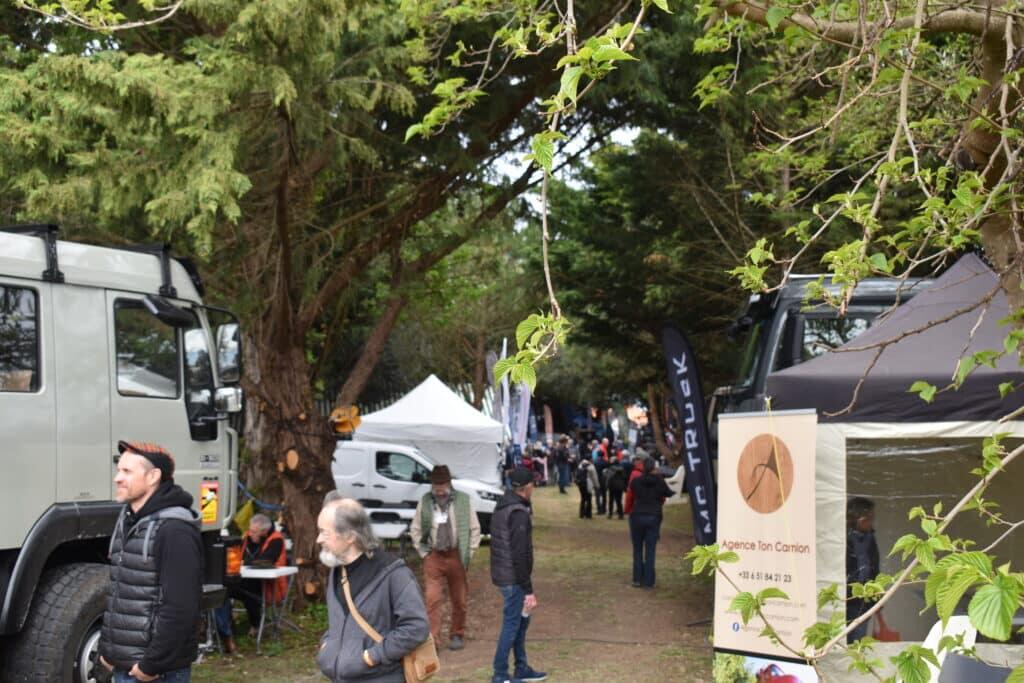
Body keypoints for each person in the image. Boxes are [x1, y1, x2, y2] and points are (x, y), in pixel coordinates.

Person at [98, 441, 203, 683]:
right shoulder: (128, 521)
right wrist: (108, 651)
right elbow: (122, 594)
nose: (117, 478)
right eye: (119, 470)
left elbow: (182, 607)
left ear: (153, 476)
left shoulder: (175, 530)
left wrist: (151, 665)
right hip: (125, 667)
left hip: (155, 674)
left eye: (127, 471)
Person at [316, 494, 430, 682]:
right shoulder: (337, 570)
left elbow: (416, 628)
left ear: (350, 536)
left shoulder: (394, 574)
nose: (319, 539)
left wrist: (372, 657)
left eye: (324, 532)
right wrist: (328, 646)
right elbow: (340, 622)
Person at [409, 465, 481, 651]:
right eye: (435, 484)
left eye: (442, 484)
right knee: (432, 600)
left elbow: (475, 529)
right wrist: (424, 553)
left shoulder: (464, 501)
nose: (439, 488)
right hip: (434, 556)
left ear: (449, 483)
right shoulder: (425, 502)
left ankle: (457, 633)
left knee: (460, 599)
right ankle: (433, 640)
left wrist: (469, 553)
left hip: (456, 555)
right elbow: (415, 529)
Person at [490, 468, 546, 683]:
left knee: (521, 624)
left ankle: (521, 667)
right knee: (512, 625)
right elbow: (519, 554)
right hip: (513, 579)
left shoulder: (504, 505)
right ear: (528, 487)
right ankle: (500, 674)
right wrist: (528, 589)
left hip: (507, 575)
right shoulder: (517, 513)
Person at [214, 513, 287, 652]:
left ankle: (254, 624)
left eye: (254, 531)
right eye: (250, 529)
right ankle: (227, 631)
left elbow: (266, 560)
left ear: (264, 532)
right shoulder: (247, 538)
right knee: (223, 589)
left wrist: (242, 562)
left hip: (268, 585)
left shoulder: (276, 540)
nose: (250, 533)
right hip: (246, 580)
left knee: (249, 594)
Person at [846, 497, 893, 642]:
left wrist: (877, 597)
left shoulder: (869, 538)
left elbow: (874, 569)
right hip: (846, 598)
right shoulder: (842, 538)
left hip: (864, 600)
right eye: (868, 518)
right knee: (843, 638)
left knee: (857, 640)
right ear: (857, 518)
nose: (871, 522)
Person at [624, 457, 674, 588]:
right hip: (654, 516)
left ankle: (637, 578)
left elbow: (630, 495)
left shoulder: (635, 481)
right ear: (654, 468)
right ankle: (648, 581)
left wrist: (627, 509)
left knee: (637, 549)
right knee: (650, 550)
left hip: (637, 515)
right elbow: (668, 494)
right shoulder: (659, 481)